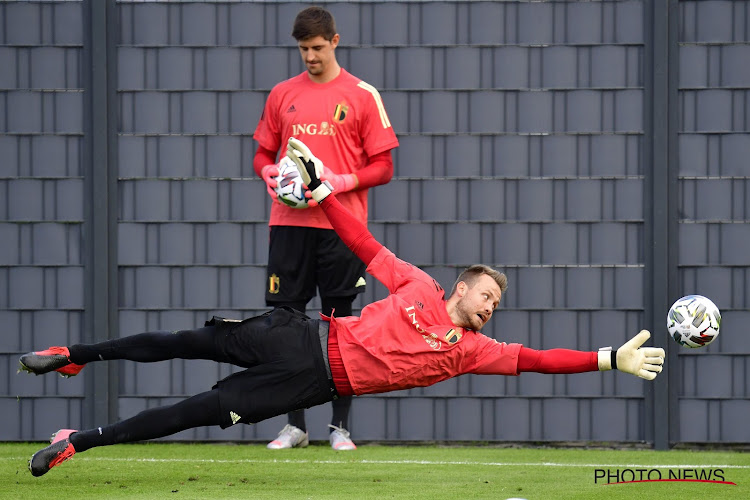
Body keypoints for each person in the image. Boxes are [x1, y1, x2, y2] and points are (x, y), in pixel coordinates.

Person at [19, 138, 665, 478]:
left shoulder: (471, 352)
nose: (493, 307)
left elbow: (539, 360)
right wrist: (325, 191)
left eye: (498, 302)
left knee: (193, 412)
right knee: (182, 339)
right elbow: (360, 241)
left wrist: (609, 358)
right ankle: (73, 355)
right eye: (487, 294)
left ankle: (80, 442)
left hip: (308, 380)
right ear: (459, 288)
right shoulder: (414, 284)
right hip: (297, 336)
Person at [252, 6, 399, 451]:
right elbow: (262, 154)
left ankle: (340, 429)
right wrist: (268, 174)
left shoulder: (361, 94)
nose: (310, 57)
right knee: (285, 323)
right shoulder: (282, 94)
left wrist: (341, 180)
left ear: (334, 41)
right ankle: (294, 426)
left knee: (342, 325)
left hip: (343, 227)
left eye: (317, 48)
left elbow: (385, 166)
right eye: (303, 49)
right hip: (290, 224)